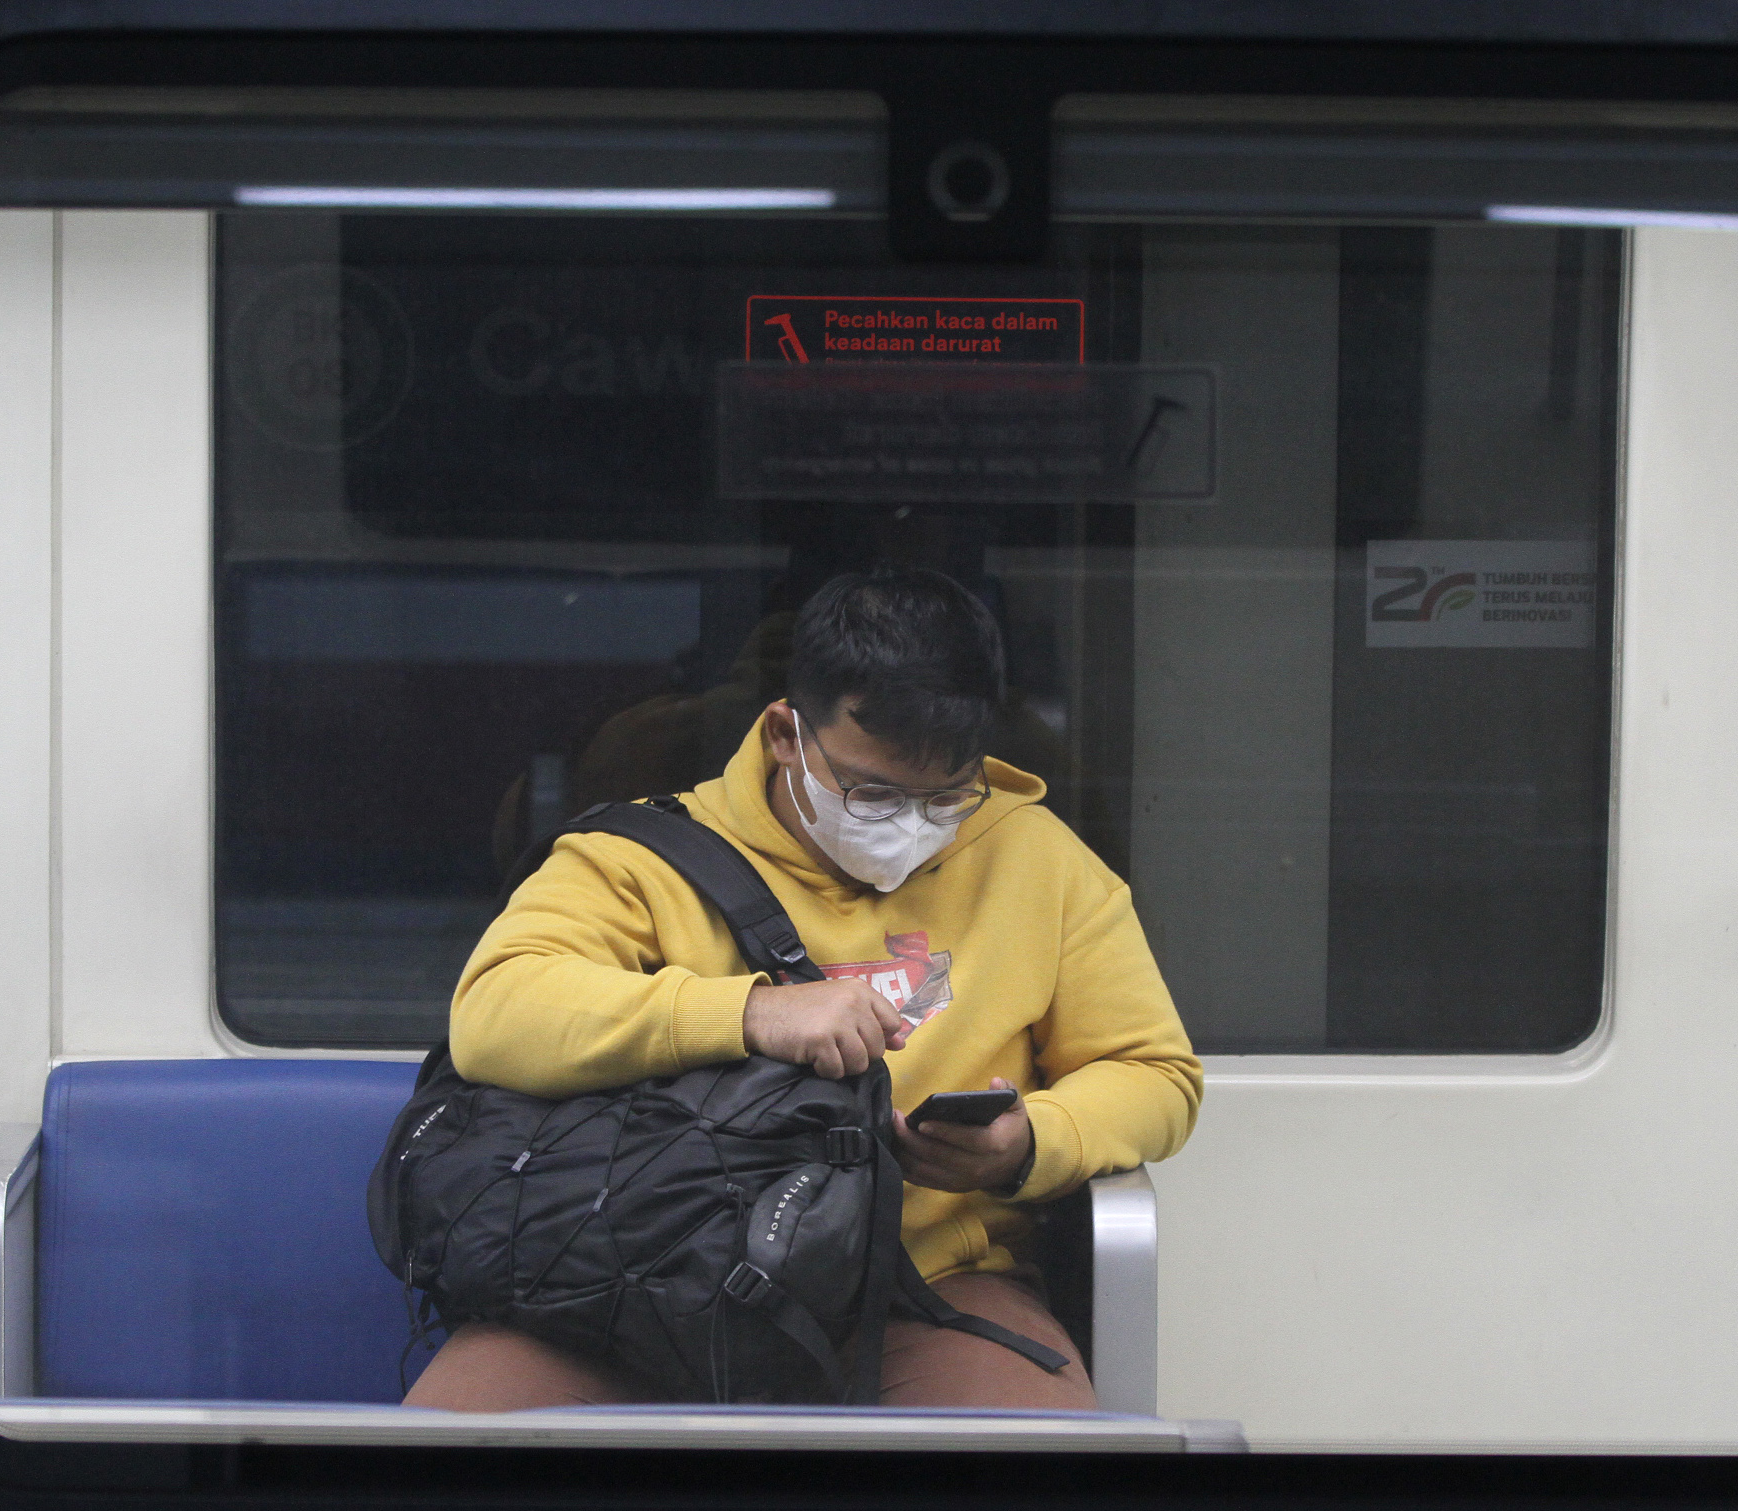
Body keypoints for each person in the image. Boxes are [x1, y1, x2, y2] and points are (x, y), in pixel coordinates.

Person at [405, 566, 1202, 1411]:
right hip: (645, 1273)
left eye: (945, 798)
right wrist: (750, 1013)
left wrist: (1030, 1142)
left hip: (923, 1282)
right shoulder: (638, 859)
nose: (909, 825)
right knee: (442, 1449)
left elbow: (1156, 1073)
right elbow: (495, 1013)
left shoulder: (1037, 860)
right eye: (872, 792)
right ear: (787, 733)